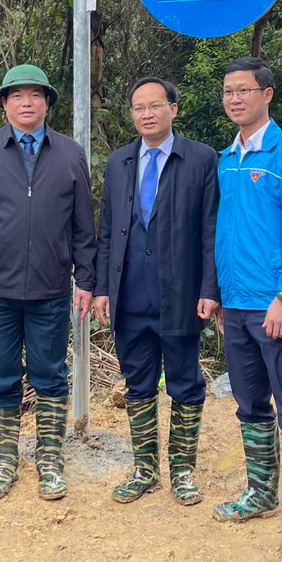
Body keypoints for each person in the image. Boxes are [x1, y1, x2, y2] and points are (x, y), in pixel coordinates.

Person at [0, 65, 96, 501]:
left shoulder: (70, 154)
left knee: (51, 375)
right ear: (4, 104)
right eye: (17, 96)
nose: (26, 102)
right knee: (0, 377)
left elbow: (83, 226)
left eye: (35, 95)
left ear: (48, 102)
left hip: (51, 289)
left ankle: (50, 461)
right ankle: (4, 463)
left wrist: (85, 279)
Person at [211, 57, 282, 557]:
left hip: (276, 306)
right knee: (249, 404)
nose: (235, 99)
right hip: (234, 307)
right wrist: (216, 295)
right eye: (229, 92)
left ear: (267, 94)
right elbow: (220, 234)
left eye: (244, 91)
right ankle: (259, 492)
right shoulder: (225, 158)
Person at [94, 77, 220, 505]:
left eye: (154, 106)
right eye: (137, 107)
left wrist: (209, 287)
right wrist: (101, 289)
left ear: (173, 109)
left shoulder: (202, 159)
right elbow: (107, 231)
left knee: (185, 382)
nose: (146, 114)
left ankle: (182, 471)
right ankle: (144, 468)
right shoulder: (119, 163)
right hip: (129, 296)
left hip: (181, 294)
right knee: (138, 383)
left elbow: (209, 230)